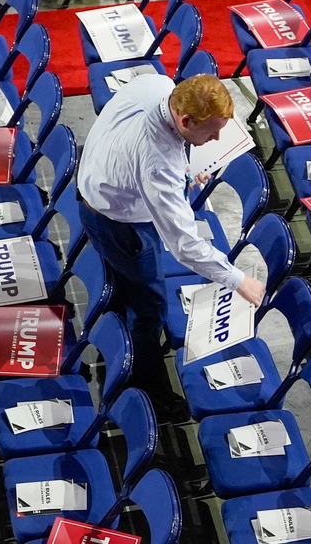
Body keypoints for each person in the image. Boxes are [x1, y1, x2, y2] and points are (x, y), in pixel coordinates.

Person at [76, 73, 266, 423]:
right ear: (185, 120)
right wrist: (238, 280)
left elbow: (173, 154)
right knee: (151, 309)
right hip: (120, 224)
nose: (217, 138)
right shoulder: (158, 165)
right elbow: (184, 245)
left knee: (126, 286)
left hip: (98, 191)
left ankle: (117, 322)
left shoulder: (160, 85)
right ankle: (146, 386)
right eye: (211, 131)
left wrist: (187, 168)